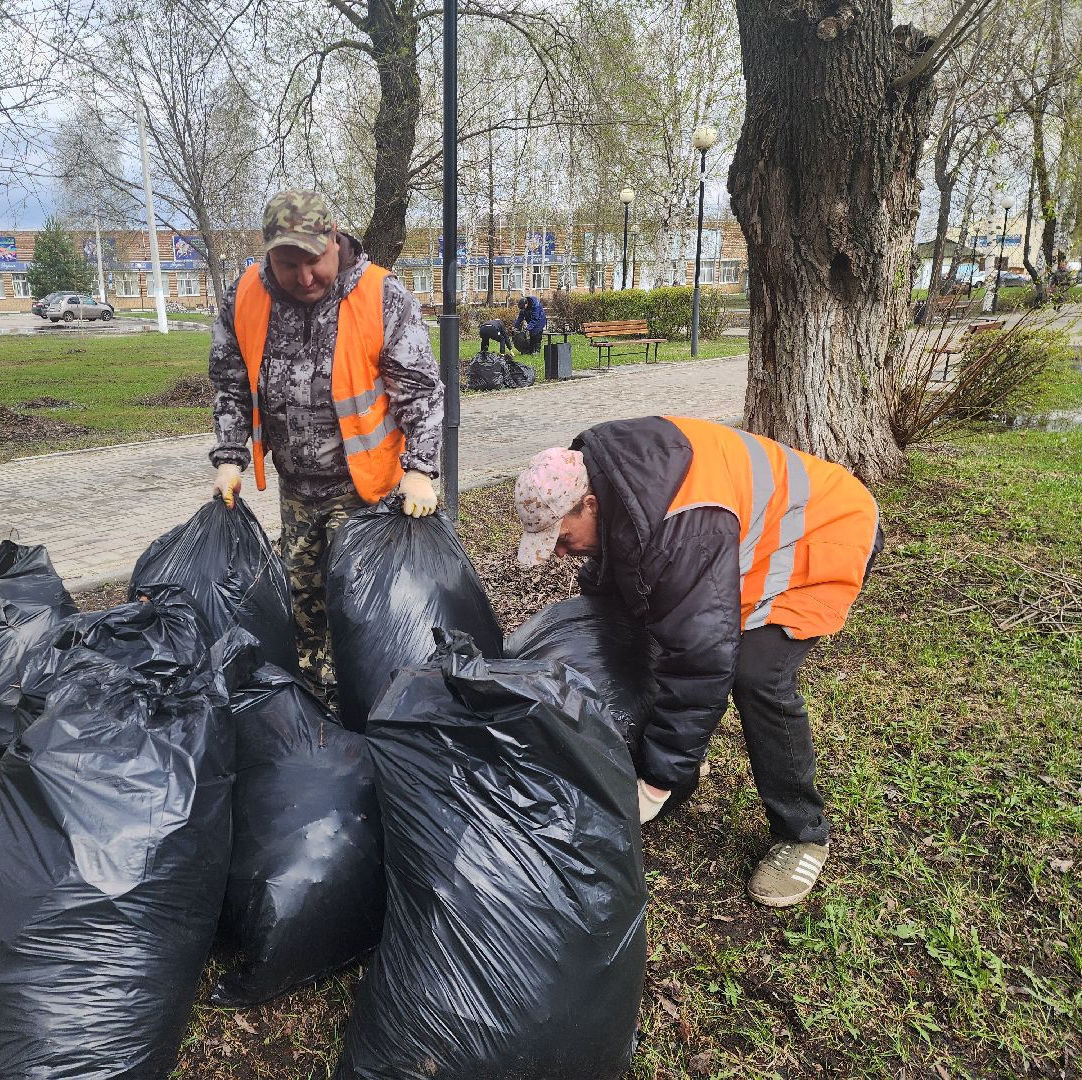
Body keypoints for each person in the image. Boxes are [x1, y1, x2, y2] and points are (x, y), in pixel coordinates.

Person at [512, 416, 882, 908]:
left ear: (590, 504)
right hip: (747, 532)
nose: (561, 553)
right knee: (661, 626)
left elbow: (702, 662)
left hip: (820, 531)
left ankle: (803, 834)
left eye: (562, 538)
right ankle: (681, 766)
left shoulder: (682, 529)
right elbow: (619, 572)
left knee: (757, 674)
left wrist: (658, 781)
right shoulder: (611, 476)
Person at [208, 190, 445, 703]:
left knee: (361, 606)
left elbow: (420, 391)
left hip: (366, 492)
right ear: (268, 253)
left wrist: (422, 468)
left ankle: (372, 703)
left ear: (334, 241)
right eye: (287, 264)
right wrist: (230, 458)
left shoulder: (381, 296)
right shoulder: (246, 296)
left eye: (313, 261)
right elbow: (229, 382)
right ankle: (317, 706)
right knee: (302, 600)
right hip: (296, 489)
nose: (304, 277)